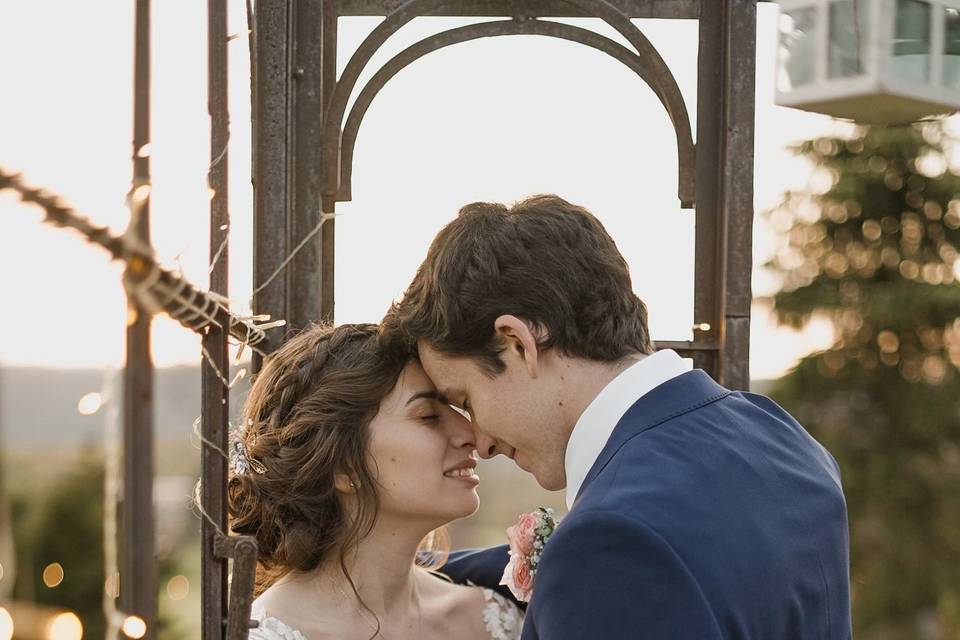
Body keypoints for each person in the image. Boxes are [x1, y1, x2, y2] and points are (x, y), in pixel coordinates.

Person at [380, 195, 852, 639]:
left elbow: (617, 557)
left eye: (465, 398)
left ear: (519, 343)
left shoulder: (609, 541)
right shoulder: (779, 436)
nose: (480, 443)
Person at [228, 323, 523, 640]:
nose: (470, 434)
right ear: (344, 466)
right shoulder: (266, 633)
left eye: (455, 408)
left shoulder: (494, 617)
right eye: (427, 415)